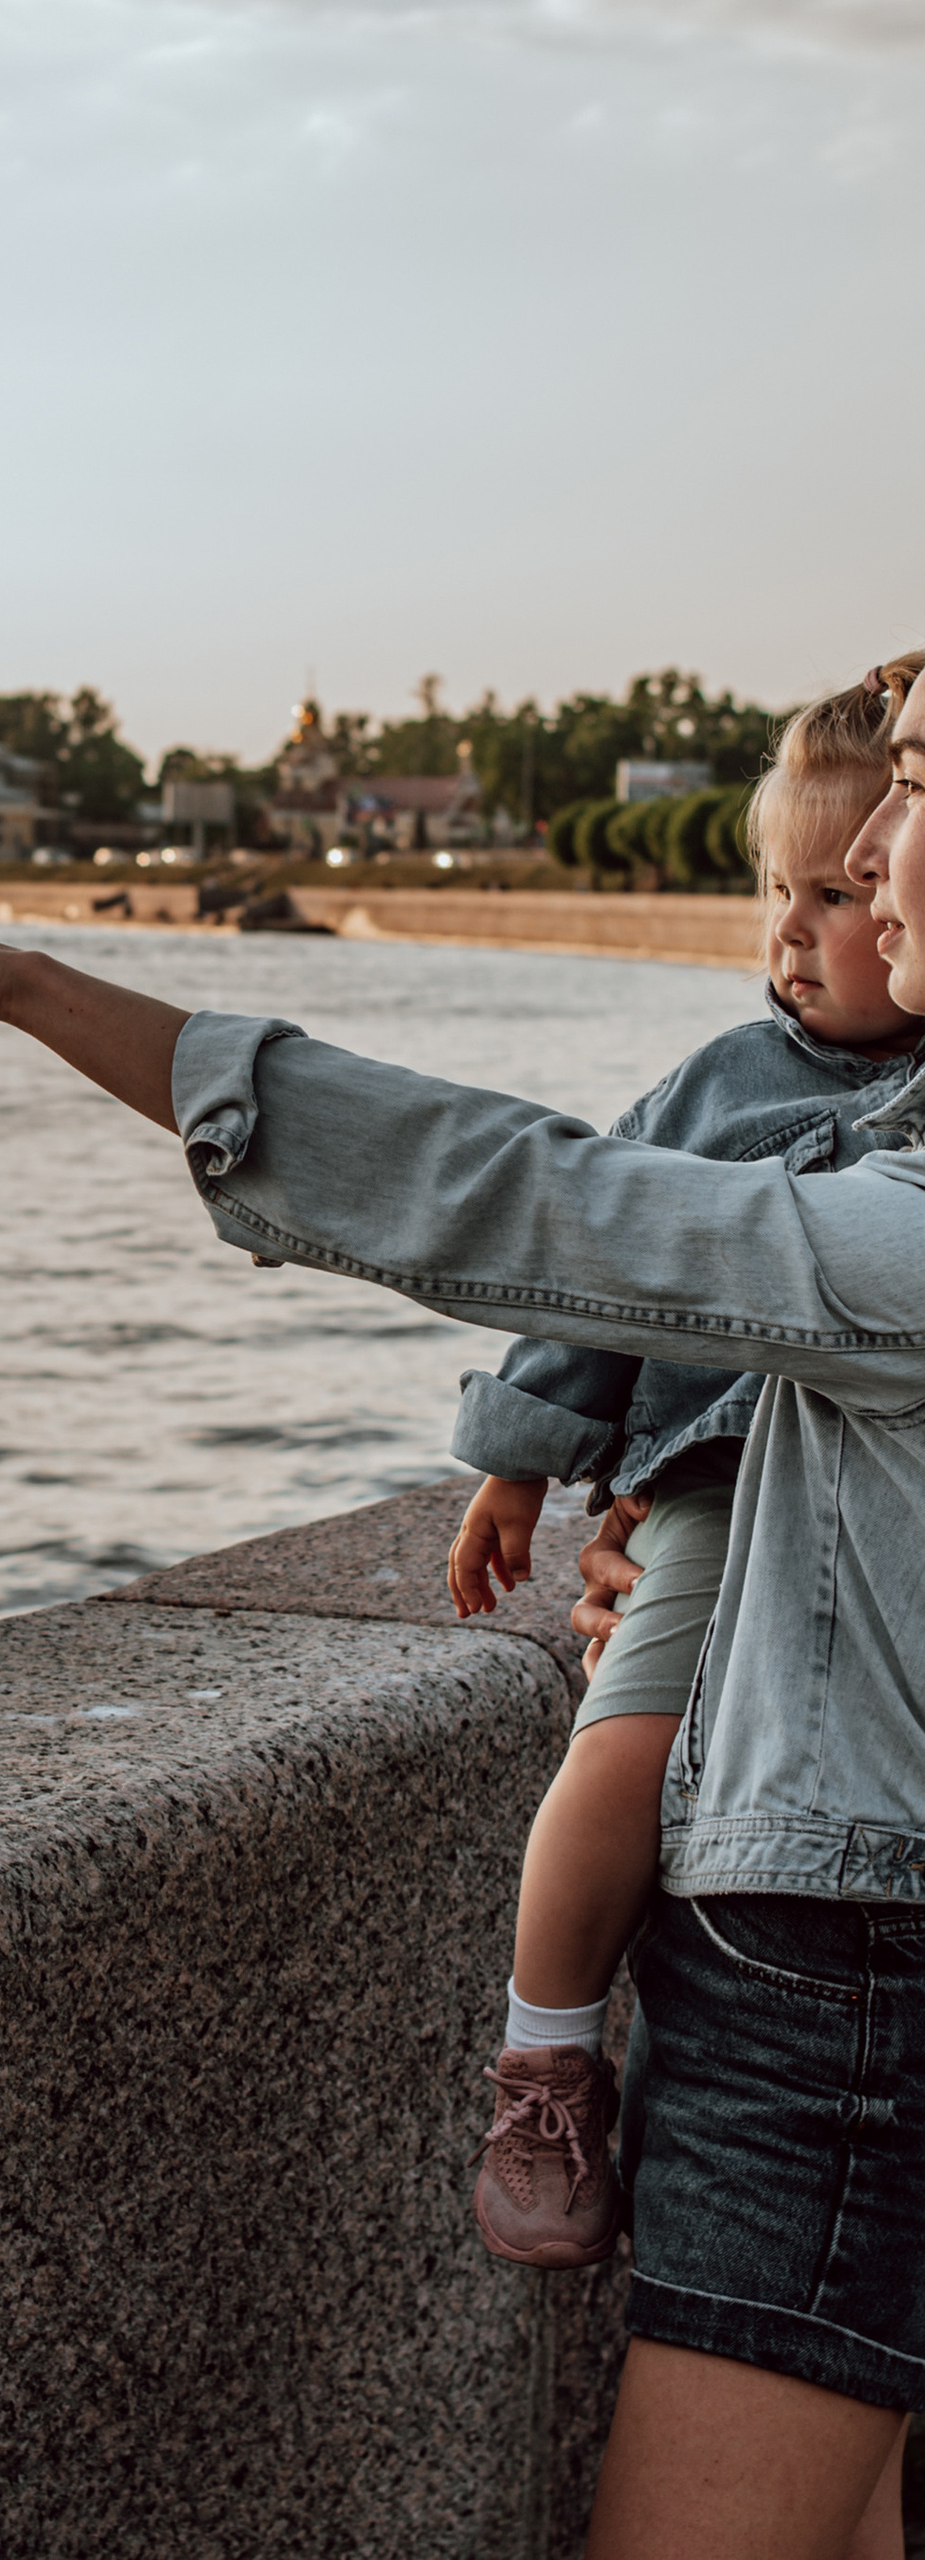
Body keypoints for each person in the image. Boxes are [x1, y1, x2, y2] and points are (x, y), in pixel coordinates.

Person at [0, 665, 925, 2559]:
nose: (865, 854)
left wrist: (42, 990)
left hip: (853, 1995)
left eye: (909, 797)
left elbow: (526, 1201)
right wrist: (737, 1509)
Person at [442, 669, 925, 2277]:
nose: (793, 934)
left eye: (839, 893)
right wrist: (523, 1464)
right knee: (628, 1748)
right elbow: (587, 1256)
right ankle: (547, 2055)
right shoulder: (726, 1082)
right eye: (777, 892)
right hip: (717, 1483)